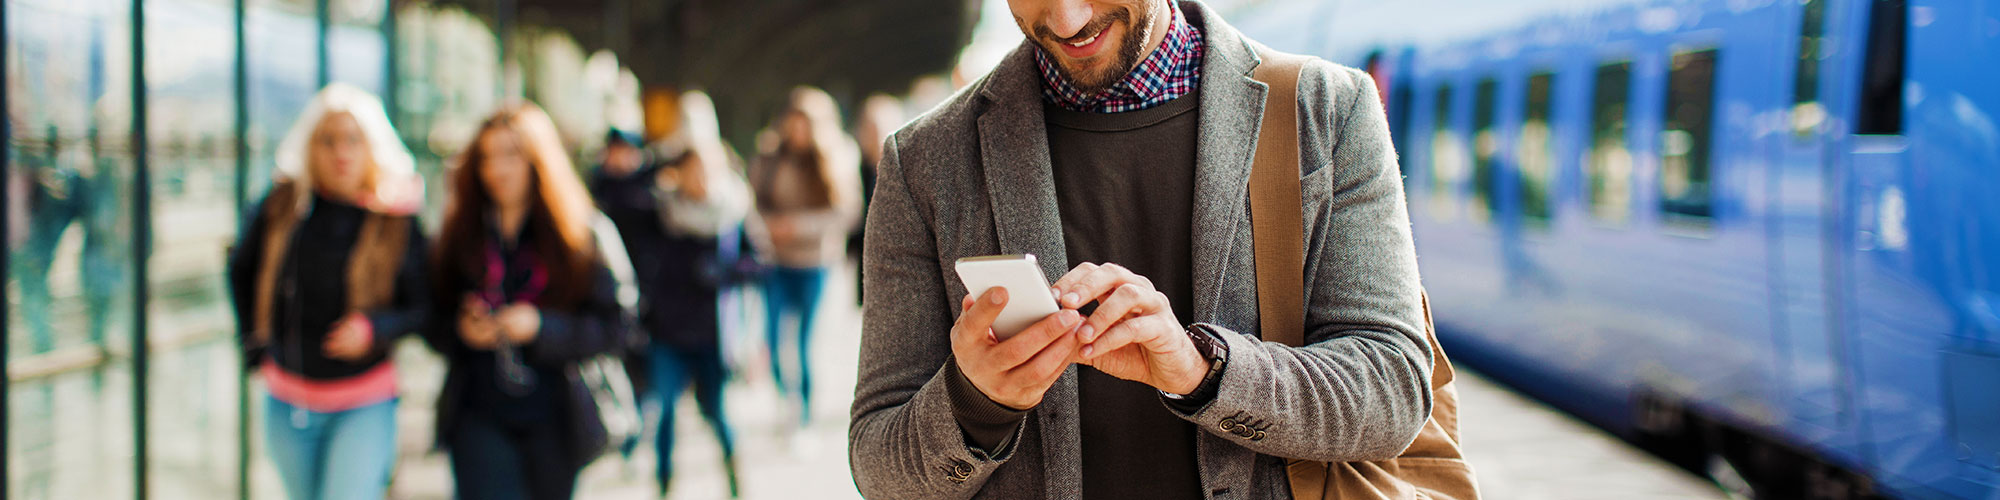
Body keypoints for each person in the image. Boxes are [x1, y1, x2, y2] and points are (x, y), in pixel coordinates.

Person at [847, 1, 1434, 499]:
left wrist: (1201, 369)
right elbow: (876, 463)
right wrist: (975, 403)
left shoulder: (1327, 110)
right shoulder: (922, 161)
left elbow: (1394, 388)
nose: (1067, 17)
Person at [226, 83, 428, 500]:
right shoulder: (282, 206)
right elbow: (240, 268)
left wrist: (374, 328)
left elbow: (425, 305)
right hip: (288, 399)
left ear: (372, 146)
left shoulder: (396, 219)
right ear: (308, 147)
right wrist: (254, 345)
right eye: (328, 140)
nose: (342, 152)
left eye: (353, 140)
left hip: (363, 401)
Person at [426, 103, 631, 500]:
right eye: (486, 157)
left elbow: (619, 326)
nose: (497, 170)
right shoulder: (461, 232)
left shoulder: (584, 234)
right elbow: (432, 317)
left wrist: (540, 327)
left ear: (538, 159)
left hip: (557, 414)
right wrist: (462, 329)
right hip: (479, 410)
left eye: (510, 155)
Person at [587, 91, 753, 497]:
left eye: (704, 169)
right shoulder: (660, 209)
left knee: (716, 413)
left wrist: (722, 273)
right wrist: (657, 159)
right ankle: (663, 485)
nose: (698, 178)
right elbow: (615, 198)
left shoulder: (730, 215)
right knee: (661, 416)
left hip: (713, 336)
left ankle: (735, 476)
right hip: (667, 331)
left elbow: (757, 264)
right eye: (690, 168)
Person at [747, 87, 861, 433]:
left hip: (816, 263)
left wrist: (796, 227)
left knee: (806, 343)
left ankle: (806, 413)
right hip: (776, 262)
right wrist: (769, 228)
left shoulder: (835, 157)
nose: (797, 131)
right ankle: (786, 402)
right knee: (774, 337)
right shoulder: (768, 157)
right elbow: (751, 205)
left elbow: (846, 213)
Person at [847, 94, 903, 308]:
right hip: (864, 259)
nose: (876, 135)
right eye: (870, 128)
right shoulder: (855, 168)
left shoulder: (904, 170)